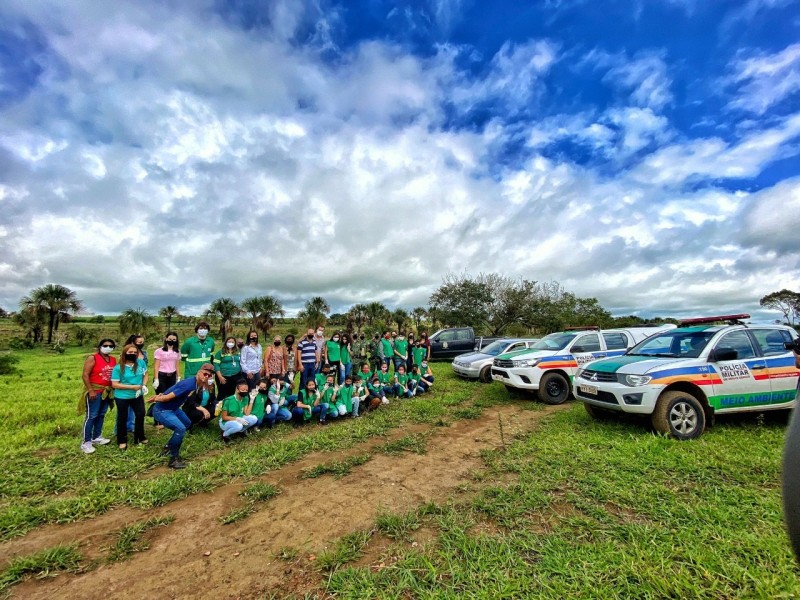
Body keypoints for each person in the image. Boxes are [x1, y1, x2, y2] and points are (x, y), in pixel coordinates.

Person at [149, 363, 217, 469]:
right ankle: (173, 458)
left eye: (210, 375)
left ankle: (168, 447)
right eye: (205, 374)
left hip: (174, 408)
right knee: (180, 428)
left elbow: (174, 389)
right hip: (163, 410)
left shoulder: (197, 384)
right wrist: (157, 398)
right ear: (199, 373)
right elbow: (168, 398)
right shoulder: (189, 384)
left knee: (187, 423)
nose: (207, 377)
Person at [79, 338, 117, 454]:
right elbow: (85, 375)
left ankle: (97, 437)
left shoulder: (113, 359)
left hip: (106, 391)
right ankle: (86, 442)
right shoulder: (93, 358)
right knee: (92, 415)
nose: (108, 347)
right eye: (105, 345)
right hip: (95, 390)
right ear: (100, 346)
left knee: (101, 414)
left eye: (111, 346)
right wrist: (90, 390)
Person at [111, 343, 148, 450]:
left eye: (135, 352)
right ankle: (122, 440)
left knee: (140, 414)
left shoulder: (140, 363)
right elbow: (115, 384)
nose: (133, 354)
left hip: (137, 395)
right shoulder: (118, 368)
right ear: (125, 353)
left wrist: (144, 385)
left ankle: (139, 436)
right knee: (122, 417)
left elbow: (145, 374)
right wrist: (132, 387)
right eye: (130, 352)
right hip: (122, 396)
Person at [219, 379, 258, 443]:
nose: (245, 391)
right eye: (243, 390)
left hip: (239, 418)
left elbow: (247, 413)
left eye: (246, 390)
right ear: (237, 390)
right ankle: (225, 435)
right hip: (226, 421)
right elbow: (224, 417)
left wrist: (252, 400)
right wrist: (236, 419)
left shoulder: (245, 398)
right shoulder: (229, 400)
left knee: (254, 418)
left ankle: (241, 431)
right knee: (239, 426)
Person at [214, 336, 242, 402]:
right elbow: (216, 364)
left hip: (235, 376)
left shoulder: (238, 352)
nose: (231, 343)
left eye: (232, 342)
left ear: (235, 343)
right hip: (223, 377)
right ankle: (219, 408)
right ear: (226, 342)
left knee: (232, 394)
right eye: (229, 342)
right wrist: (220, 376)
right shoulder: (220, 352)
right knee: (222, 394)